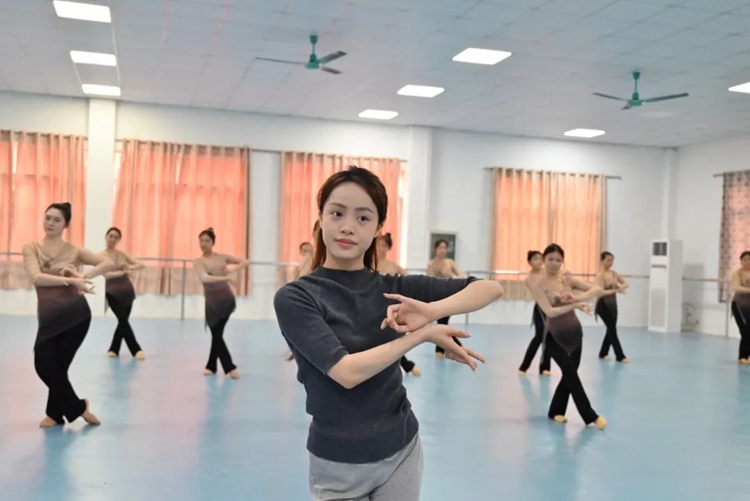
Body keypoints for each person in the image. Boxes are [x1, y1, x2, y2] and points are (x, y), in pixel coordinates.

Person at [274, 166, 504, 500]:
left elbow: (490, 288)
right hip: (338, 463)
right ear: (321, 218)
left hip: (401, 449)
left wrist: (431, 311)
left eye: (363, 218)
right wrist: (422, 335)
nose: (348, 226)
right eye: (337, 213)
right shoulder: (297, 297)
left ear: (378, 229)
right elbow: (346, 372)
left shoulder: (392, 287)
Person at [22, 202, 117, 427]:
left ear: (66, 224)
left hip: (76, 316)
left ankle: (54, 415)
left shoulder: (75, 251)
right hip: (49, 317)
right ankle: (79, 407)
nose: (50, 223)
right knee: (43, 364)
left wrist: (84, 276)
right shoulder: (31, 248)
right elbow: (36, 277)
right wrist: (72, 280)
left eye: (56, 220)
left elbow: (109, 262)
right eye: (47, 218)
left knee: (59, 366)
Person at [527, 243, 607, 430]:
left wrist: (576, 298)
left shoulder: (566, 279)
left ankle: (556, 411)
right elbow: (550, 312)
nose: (554, 263)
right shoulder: (538, 284)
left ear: (562, 261)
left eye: (558, 260)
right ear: (544, 260)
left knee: (569, 375)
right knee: (571, 375)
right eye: (550, 259)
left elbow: (597, 290)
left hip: (574, 333)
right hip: (554, 336)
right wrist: (575, 305)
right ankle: (591, 416)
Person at [193, 227, 249, 379]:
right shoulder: (198, 261)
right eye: (201, 241)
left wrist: (232, 271)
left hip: (226, 300)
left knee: (217, 334)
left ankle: (223, 367)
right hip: (211, 302)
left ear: (213, 242)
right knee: (216, 334)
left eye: (207, 241)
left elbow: (245, 261)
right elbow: (205, 278)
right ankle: (216, 366)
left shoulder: (222, 257)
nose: (203, 244)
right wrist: (227, 277)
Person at [377, 232, 421, 377]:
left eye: (383, 245)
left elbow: (409, 280)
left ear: (388, 248)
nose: (380, 248)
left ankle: (406, 366)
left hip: (391, 308)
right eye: (378, 244)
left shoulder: (393, 266)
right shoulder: (369, 263)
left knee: (392, 340)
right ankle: (407, 366)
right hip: (372, 306)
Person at [100, 227, 146, 360]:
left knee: (122, 321)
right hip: (112, 292)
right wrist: (123, 272)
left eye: (116, 237)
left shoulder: (122, 255)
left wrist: (129, 267)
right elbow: (106, 275)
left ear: (119, 239)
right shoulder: (100, 256)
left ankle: (113, 349)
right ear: (106, 236)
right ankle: (136, 349)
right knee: (122, 319)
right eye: (111, 236)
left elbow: (140, 264)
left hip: (127, 291)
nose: (112, 239)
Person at [426, 239, 464, 357]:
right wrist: (439, 276)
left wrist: (452, 280)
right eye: (440, 247)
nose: (442, 250)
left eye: (444, 248)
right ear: (435, 249)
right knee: (442, 324)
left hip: (448, 296)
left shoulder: (450, 263)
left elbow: (460, 275)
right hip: (437, 296)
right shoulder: (431, 264)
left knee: (443, 324)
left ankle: (441, 349)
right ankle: (456, 346)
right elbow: (429, 280)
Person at [518, 250, 551, 376]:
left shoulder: (547, 271)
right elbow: (538, 293)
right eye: (535, 259)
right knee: (539, 336)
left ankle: (545, 367)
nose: (539, 261)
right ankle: (524, 366)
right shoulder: (529, 278)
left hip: (552, 307)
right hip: (541, 308)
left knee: (549, 337)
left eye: (541, 258)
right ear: (529, 262)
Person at [595, 251, 629, 363]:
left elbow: (625, 283)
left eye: (612, 260)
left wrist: (620, 287)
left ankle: (603, 352)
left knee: (610, 329)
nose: (610, 263)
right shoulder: (600, 275)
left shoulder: (613, 273)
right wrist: (614, 289)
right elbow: (600, 292)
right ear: (602, 261)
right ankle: (620, 355)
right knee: (612, 330)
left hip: (612, 304)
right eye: (608, 260)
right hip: (603, 305)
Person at [729, 251, 750, 365]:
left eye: (749, 259)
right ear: (741, 261)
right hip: (739, 306)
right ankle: (743, 356)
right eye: (744, 260)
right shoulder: (737, 274)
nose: (747, 262)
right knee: (745, 331)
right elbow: (736, 287)